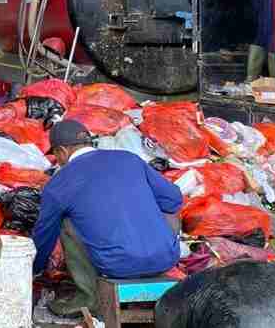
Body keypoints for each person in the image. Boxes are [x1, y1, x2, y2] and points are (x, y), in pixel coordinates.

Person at [31, 120, 183, 319]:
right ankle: (152, 255)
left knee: (66, 222)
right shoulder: (129, 159)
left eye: (56, 155)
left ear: (61, 151)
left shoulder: (59, 183)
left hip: (117, 266)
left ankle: (89, 299)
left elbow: (45, 234)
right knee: (162, 206)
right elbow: (173, 198)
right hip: (166, 258)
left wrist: (35, 268)